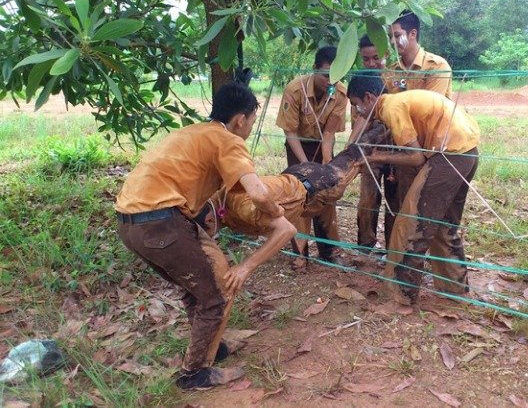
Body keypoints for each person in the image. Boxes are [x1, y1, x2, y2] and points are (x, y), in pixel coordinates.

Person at [115, 82, 290, 390]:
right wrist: (276, 211)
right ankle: (194, 374)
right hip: (162, 221)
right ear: (240, 120)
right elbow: (259, 194)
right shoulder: (227, 140)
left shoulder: (191, 132)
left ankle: (210, 347)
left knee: (194, 286)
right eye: (250, 121)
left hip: (130, 224)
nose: (249, 128)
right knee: (219, 292)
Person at [347, 75, 480, 306]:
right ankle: (454, 289)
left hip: (448, 155)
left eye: (357, 105)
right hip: (467, 151)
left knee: (411, 223)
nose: (358, 112)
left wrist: (374, 156)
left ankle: (402, 297)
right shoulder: (397, 102)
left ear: (369, 98)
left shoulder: (391, 107)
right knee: (443, 224)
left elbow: (416, 157)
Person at [201, 122, 389, 245]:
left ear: (210, 220)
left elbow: (285, 230)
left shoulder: (244, 208)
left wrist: (245, 268)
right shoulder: (214, 197)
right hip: (296, 178)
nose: (208, 238)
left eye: (206, 234)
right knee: (351, 158)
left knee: (354, 158)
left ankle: (383, 126)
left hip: (317, 185)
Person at [276, 46, 349, 265]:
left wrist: (326, 163)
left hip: (323, 144)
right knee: (299, 196)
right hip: (298, 144)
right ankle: (300, 253)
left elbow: (329, 132)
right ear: (315, 69)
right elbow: (290, 131)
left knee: (327, 195)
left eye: (336, 76)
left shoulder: (340, 93)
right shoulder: (295, 89)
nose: (331, 81)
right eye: (326, 74)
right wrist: (305, 164)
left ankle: (328, 251)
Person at [354, 35, 400, 257]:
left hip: (399, 149)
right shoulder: (361, 80)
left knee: (395, 199)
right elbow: (361, 118)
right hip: (370, 149)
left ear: (386, 53)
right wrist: (352, 147)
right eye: (366, 59)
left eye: (376, 57)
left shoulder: (398, 78)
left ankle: (393, 250)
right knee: (368, 198)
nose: (371, 63)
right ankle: (365, 246)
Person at [388, 11, 452, 98]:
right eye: (390, 37)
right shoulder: (392, 71)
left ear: (413, 34)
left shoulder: (436, 67)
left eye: (397, 35)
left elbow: (431, 107)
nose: (392, 41)